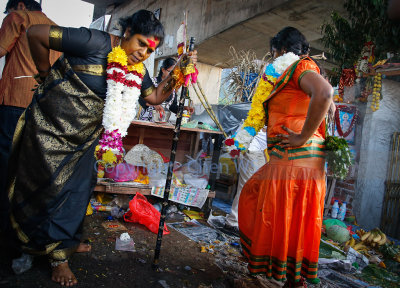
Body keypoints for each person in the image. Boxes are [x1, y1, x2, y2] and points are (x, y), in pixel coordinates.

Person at [6, 9, 196, 286]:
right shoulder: (92, 41)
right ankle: (31, 249)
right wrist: (44, 72)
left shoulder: (136, 70)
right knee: (41, 190)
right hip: (48, 130)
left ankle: (63, 247)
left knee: (76, 193)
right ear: (127, 33)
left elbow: (154, 97)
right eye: (140, 43)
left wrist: (179, 73)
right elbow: (35, 34)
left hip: (83, 141)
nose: (143, 53)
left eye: (149, 50)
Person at [238, 27, 333, 287]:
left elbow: (325, 94)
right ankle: (289, 277)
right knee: (292, 216)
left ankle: (274, 277)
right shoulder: (300, 72)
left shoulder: (301, 68)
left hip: (295, 158)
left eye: (273, 53)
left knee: (269, 207)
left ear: (280, 51)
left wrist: (301, 137)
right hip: (296, 160)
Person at [0, 0, 60, 233]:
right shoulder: (55, 27)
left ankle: (5, 225)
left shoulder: (19, 18)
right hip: (43, 105)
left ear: (21, 5)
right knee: (30, 165)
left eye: (9, 10)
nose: (9, 15)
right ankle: (24, 226)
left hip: (15, 100)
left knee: (6, 163)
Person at [221, 128, 267, 237]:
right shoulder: (269, 115)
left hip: (259, 151)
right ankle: (232, 223)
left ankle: (242, 222)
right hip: (253, 151)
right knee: (247, 188)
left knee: (254, 190)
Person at [138, 57, 194, 121]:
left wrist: (184, 108)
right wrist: (154, 104)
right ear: (163, 70)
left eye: (175, 73)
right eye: (171, 72)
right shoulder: (152, 82)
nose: (173, 75)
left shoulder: (172, 86)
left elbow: (172, 106)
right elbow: (140, 99)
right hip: (147, 120)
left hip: (162, 120)